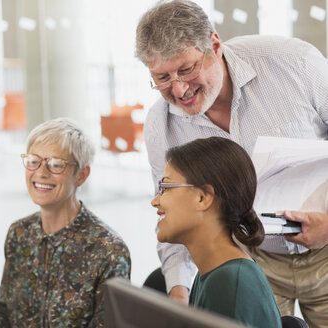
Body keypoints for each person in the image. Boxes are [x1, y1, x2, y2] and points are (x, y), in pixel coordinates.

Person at [135, 0, 328, 326]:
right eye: (162, 77)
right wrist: (178, 297)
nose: (179, 90)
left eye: (186, 69)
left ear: (214, 45)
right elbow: (175, 214)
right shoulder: (161, 125)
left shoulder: (294, 63)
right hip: (253, 257)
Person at [0, 118, 131, 327]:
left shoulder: (108, 251)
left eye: (56, 164)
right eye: (33, 161)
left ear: (81, 175)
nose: (41, 172)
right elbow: (6, 315)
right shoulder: (19, 233)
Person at [151, 137, 281, 327]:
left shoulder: (229, 282)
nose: (155, 201)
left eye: (166, 188)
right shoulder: (211, 274)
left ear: (203, 198)